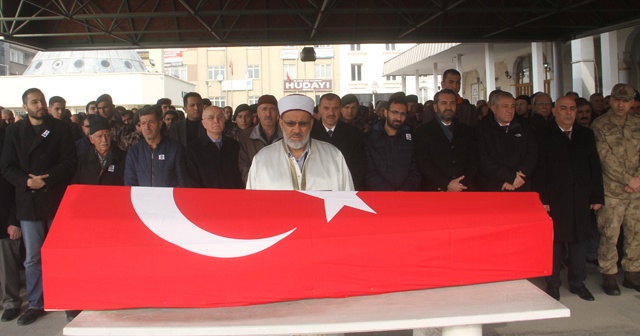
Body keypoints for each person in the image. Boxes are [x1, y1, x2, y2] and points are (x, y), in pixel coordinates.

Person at [0, 88, 77, 326]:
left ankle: (67, 300)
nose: (40, 105)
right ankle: (36, 303)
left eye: (41, 101)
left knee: (60, 254)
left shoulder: (60, 128)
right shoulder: (14, 131)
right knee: (33, 257)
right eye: (34, 102)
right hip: (28, 201)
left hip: (55, 198)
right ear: (25, 107)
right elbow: (7, 167)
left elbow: (70, 162)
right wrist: (27, 181)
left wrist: (47, 178)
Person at [533, 96, 604, 301]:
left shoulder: (586, 134)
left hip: (581, 197)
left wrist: (597, 195)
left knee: (579, 242)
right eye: (563, 108)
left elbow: (594, 166)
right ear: (555, 111)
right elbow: (539, 169)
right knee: (555, 243)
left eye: (572, 108)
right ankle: (553, 283)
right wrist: (542, 197)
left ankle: (577, 283)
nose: (568, 112)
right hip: (554, 198)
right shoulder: (543, 134)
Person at [591, 83, 640, 295]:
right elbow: (605, 158)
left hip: (637, 190)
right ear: (610, 101)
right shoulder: (600, 125)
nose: (621, 104)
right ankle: (609, 275)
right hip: (612, 191)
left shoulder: (638, 123)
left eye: (626, 101)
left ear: (632, 103)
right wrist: (629, 179)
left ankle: (632, 273)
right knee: (610, 235)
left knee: (635, 233)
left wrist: (637, 180)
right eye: (617, 100)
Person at [246, 94, 353, 191]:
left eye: (302, 124)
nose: (297, 130)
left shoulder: (333, 156)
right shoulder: (262, 159)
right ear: (281, 123)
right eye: (290, 123)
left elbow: (348, 202)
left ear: (311, 124)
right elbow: (252, 205)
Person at [414, 89, 479, 191]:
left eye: (452, 103)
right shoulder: (422, 132)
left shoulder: (467, 131)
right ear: (435, 107)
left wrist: (460, 184)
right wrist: (446, 184)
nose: (449, 107)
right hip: (436, 190)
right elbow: (423, 163)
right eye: (444, 103)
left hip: (464, 188)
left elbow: (473, 161)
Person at [475, 90, 537, 191]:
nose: (510, 110)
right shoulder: (481, 131)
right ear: (494, 108)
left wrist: (518, 177)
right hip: (495, 187)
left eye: (513, 106)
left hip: (521, 185)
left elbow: (532, 155)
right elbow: (483, 160)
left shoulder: (525, 129)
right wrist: (510, 177)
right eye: (505, 106)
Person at [364, 93, 420, 191]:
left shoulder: (412, 138)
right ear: (385, 112)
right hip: (379, 197)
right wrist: (390, 193)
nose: (398, 118)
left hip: (406, 196)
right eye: (395, 112)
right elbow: (368, 171)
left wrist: (405, 191)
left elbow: (416, 169)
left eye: (402, 114)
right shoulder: (370, 138)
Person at [310, 93, 366, 190]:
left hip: (345, 189)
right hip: (316, 189)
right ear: (319, 109)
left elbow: (359, 167)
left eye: (335, 108)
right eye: (326, 108)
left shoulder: (354, 134)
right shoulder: (310, 133)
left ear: (340, 109)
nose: (331, 113)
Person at [124, 105, 185, 187]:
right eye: (143, 123)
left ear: (160, 123)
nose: (147, 127)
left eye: (151, 122)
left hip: (169, 198)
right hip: (143, 199)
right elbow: (130, 183)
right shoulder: (134, 151)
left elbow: (182, 181)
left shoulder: (175, 149)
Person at [185, 106, 243, 188]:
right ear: (203, 123)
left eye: (220, 117)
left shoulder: (234, 146)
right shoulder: (192, 150)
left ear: (224, 120)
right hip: (205, 198)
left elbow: (240, 176)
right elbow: (191, 182)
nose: (216, 121)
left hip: (232, 198)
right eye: (210, 118)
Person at [0, 121, 22, 322]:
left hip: (6, 216)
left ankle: (11, 302)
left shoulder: (8, 139)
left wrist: (14, 219)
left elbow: (17, 183)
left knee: (6, 264)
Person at [238, 95, 282, 184]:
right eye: (264, 109)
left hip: (281, 187)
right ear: (258, 113)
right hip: (256, 187)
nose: (268, 114)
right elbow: (244, 165)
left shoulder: (286, 135)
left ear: (278, 113)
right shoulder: (246, 136)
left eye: (272, 109)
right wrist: (255, 185)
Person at [72, 115, 126, 186]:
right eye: (99, 136)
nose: (104, 140)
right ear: (91, 139)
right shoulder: (83, 160)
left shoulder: (124, 157)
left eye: (107, 135)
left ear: (111, 136)